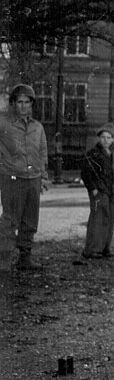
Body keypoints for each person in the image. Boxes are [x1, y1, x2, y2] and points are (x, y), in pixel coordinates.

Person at [0, 85, 49, 272]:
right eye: (19, 102)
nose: (23, 106)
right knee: (10, 219)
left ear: (31, 104)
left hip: (34, 178)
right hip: (13, 178)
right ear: (13, 104)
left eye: (27, 102)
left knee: (30, 219)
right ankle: (3, 259)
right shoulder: (4, 125)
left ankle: (25, 258)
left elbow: (43, 152)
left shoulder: (38, 127)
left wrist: (43, 177)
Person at [80, 123, 114, 259]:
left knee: (110, 219)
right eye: (103, 137)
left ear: (113, 139)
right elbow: (85, 173)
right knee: (97, 220)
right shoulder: (93, 153)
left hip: (110, 193)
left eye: (109, 137)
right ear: (99, 138)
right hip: (99, 192)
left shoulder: (112, 154)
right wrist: (94, 189)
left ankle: (105, 248)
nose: (106, 140)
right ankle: (92, 249)